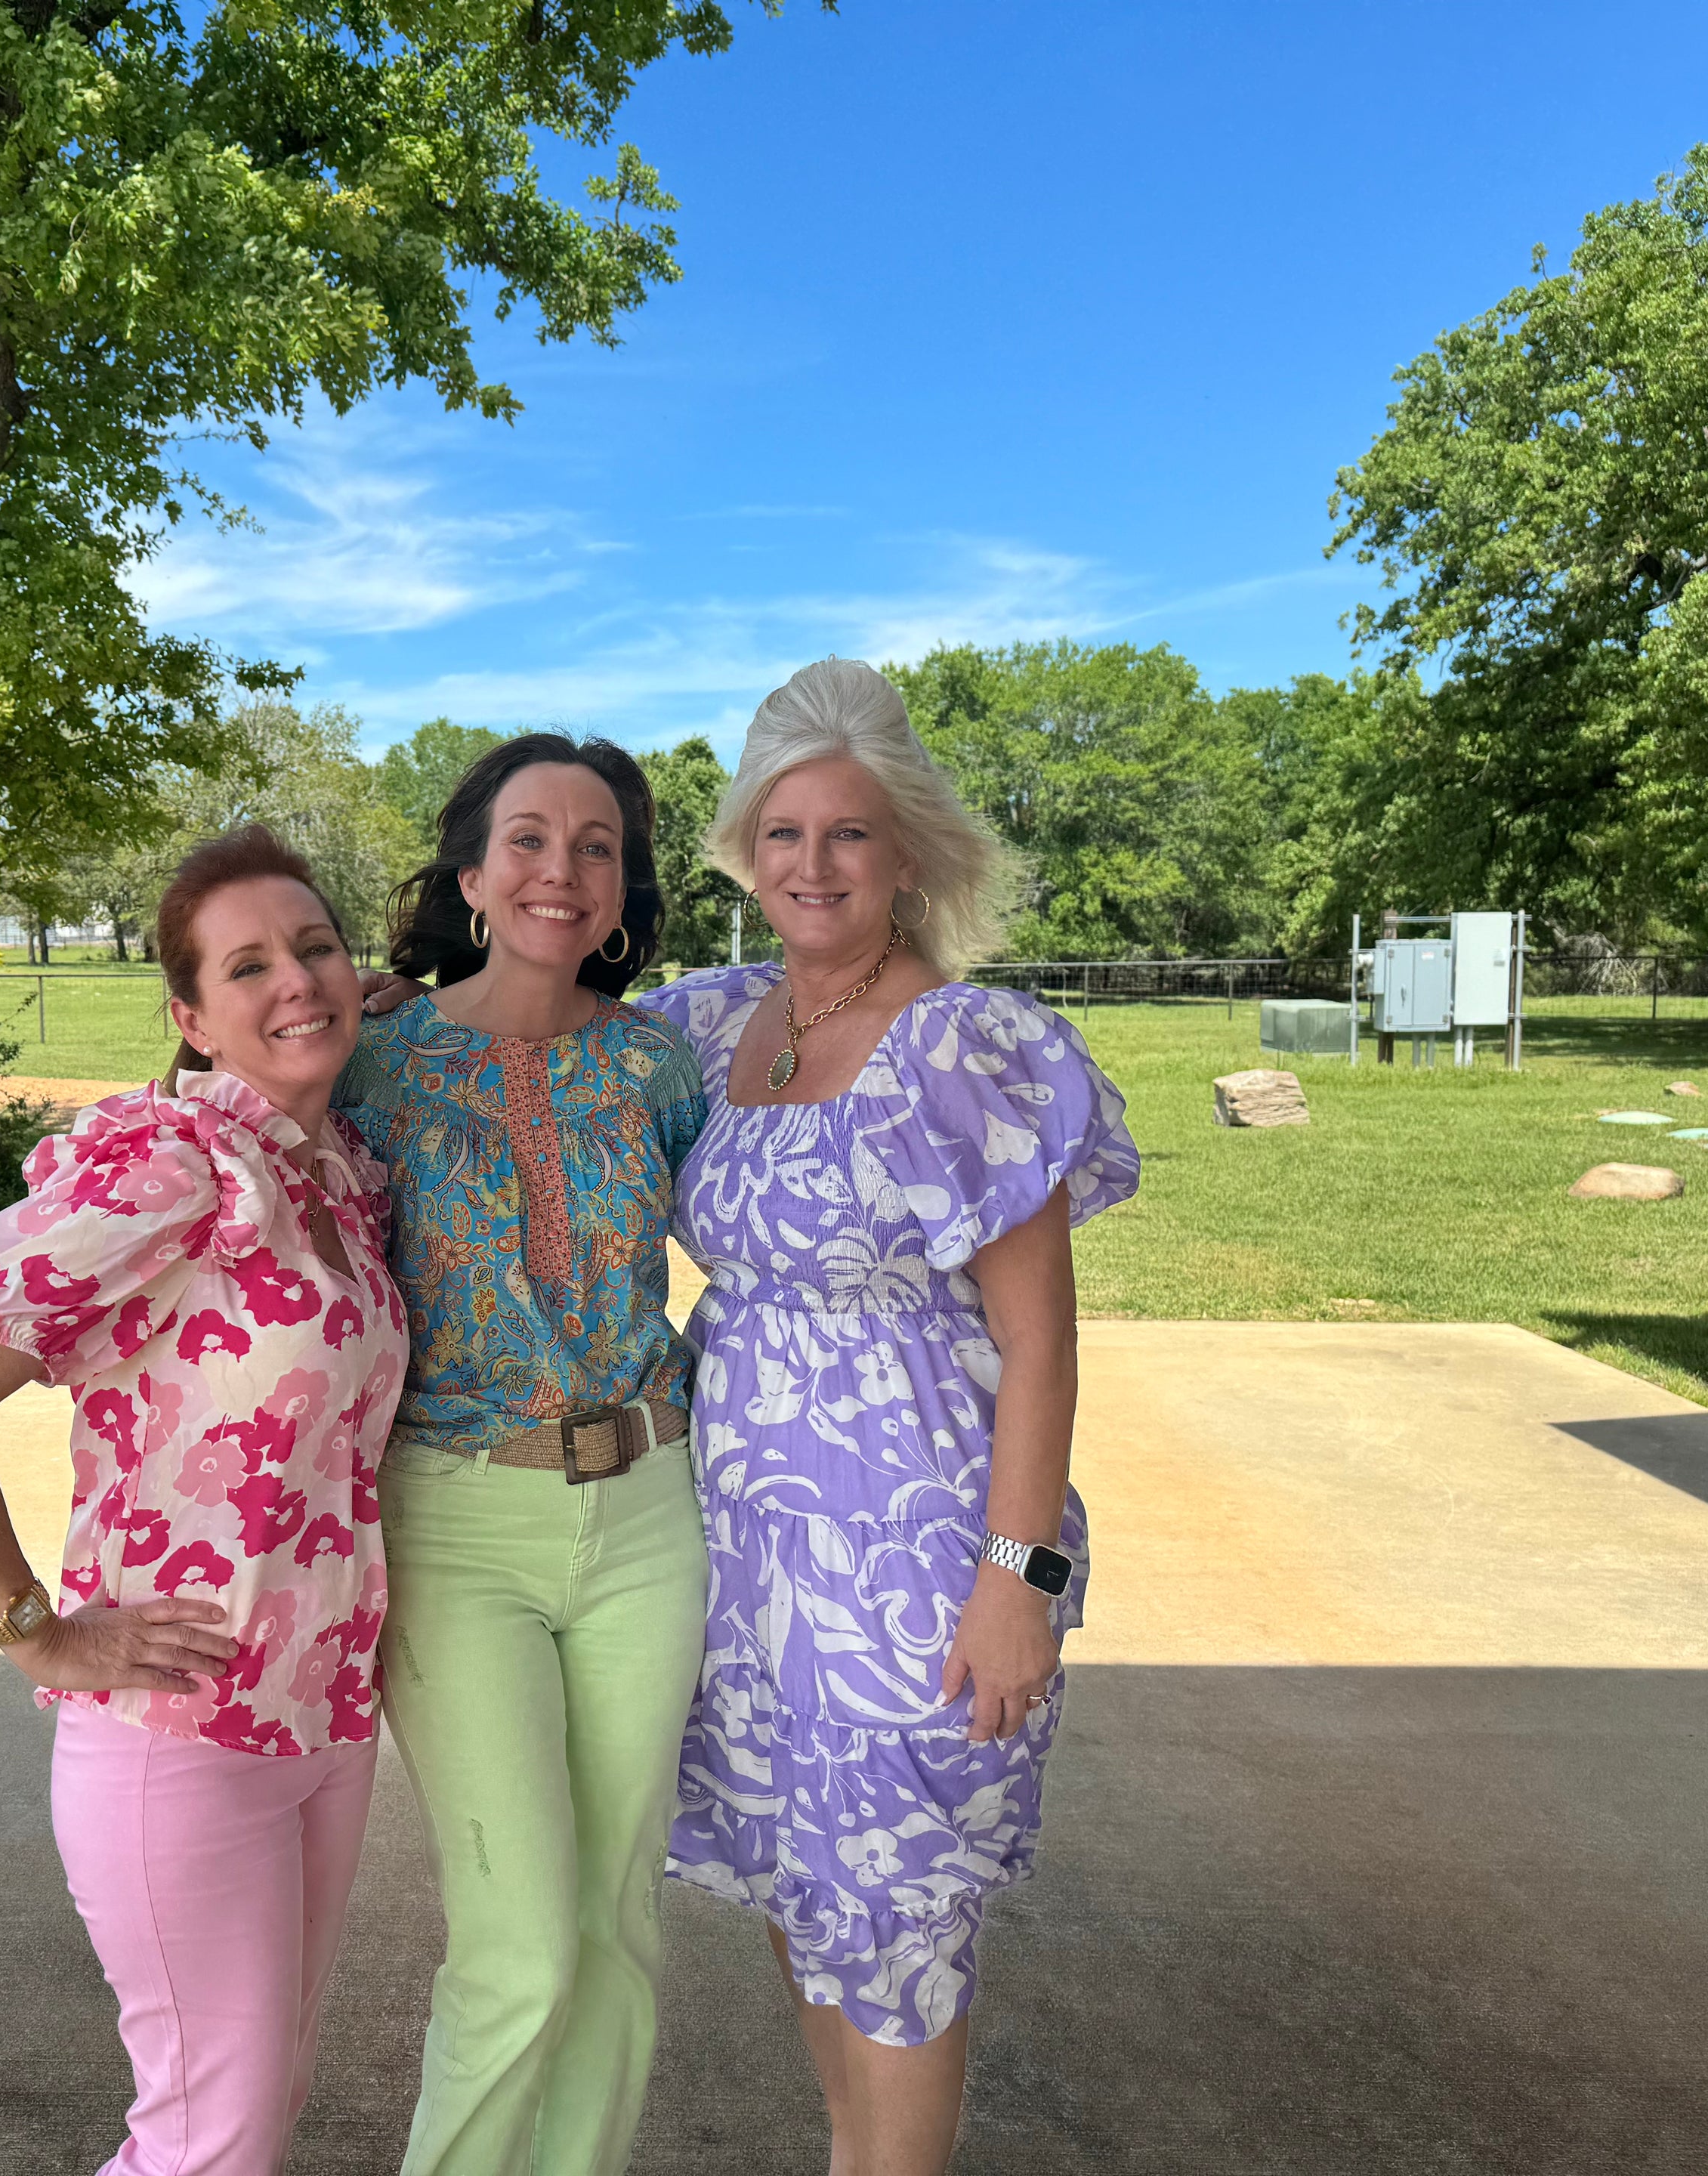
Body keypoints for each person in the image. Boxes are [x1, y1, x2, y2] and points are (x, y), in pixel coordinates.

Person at [631, 660, 1140, 2175]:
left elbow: (1042, 1351)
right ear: (744, 850)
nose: (812, 866)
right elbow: (526, 1036)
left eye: (847, 834)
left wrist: (1017, 1586)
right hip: (746, 1562)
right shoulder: (720, 1024)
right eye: (781, 834)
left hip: (921, 1567)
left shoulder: (967, 1049)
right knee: (806, 1895)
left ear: (905, 850)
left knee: (902, 1926)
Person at [0, 825, 409, 2176]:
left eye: (316, 947)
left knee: (252, 2108)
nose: (295, 981)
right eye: (249, 967)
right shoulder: (173, 1168)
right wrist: (36, 1632)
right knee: (207, 2138)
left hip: (321, 1722)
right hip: (180, 1731)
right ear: (191, 1018)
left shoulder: (334, 1175)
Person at [330, 734, 709, 2176]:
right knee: (524, 1948)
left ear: (624, 888)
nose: (565, 870)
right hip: (456, 1520)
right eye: (531, 840)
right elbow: (229, 1131)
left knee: (617, 1930)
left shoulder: (659, 1062)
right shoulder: (375, 1057)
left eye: (599, 846)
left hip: (648, 1513)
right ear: (475, 874)